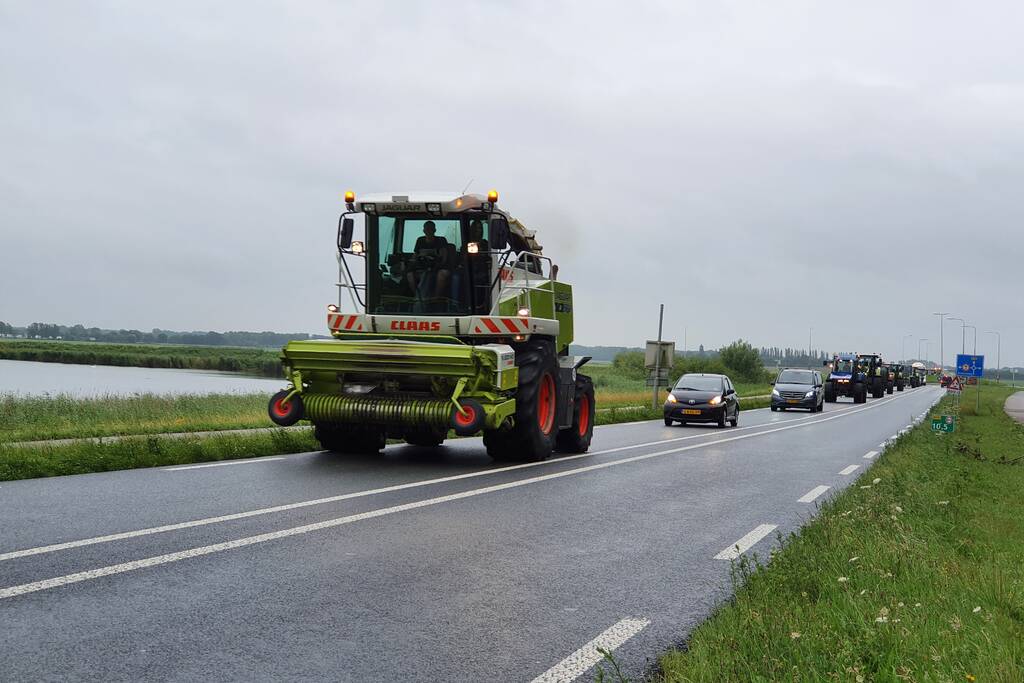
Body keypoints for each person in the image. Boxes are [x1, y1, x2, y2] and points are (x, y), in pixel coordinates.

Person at [406, 221, 451, 300]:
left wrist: (438, 262)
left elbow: (444, 256)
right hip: (422, 266)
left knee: (442, 274)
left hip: (437, 267)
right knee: (409, 274)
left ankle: (436, 299)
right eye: (427, 229)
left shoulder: (441, 240)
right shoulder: (420, 240)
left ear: (435, 230)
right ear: (424, 231)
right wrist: (411, 262)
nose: (429, 231)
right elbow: (415, 255)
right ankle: (417, 297)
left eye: (431, 229)